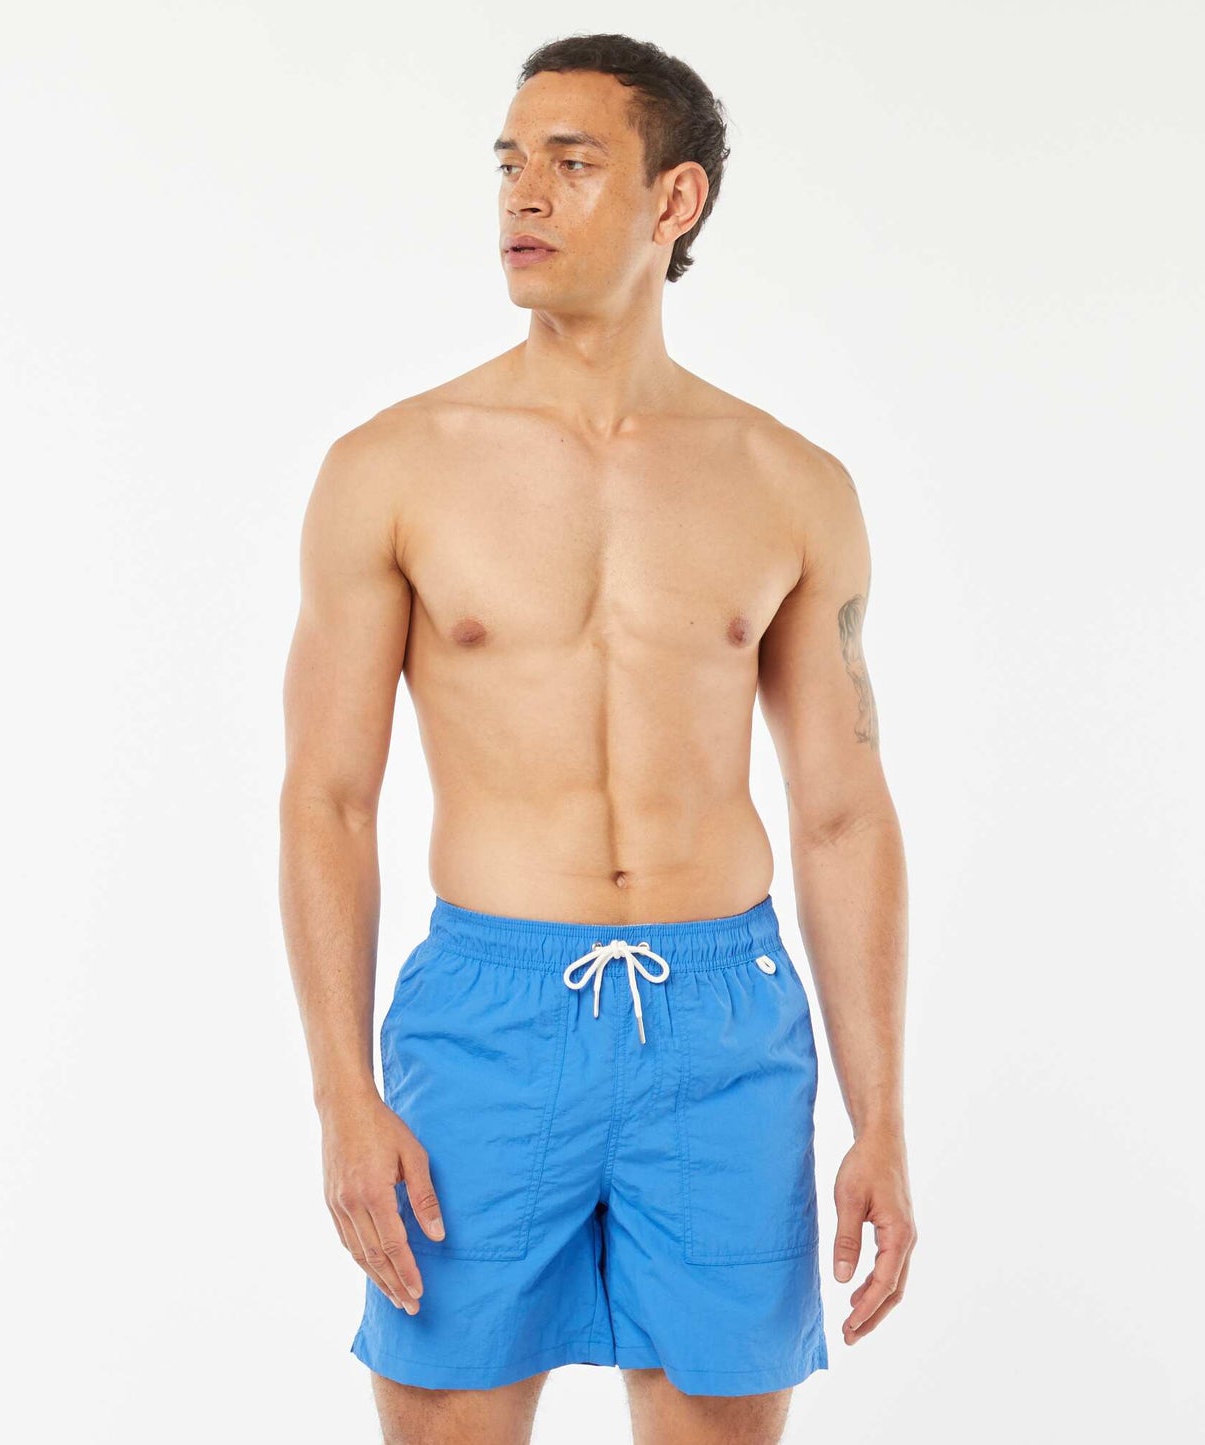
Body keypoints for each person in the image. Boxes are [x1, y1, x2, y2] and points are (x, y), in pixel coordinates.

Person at [278, 31, 915, 1445]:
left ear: (674, 200)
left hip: (724, 1025)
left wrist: (880, 1115)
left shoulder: (789, 483)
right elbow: (326, 798)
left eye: (572, 165)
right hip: (486, 1018)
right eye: (511, 163)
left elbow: (841, 813)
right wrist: (341, 1095)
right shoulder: (393, 468)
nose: (524, 195)